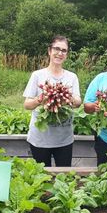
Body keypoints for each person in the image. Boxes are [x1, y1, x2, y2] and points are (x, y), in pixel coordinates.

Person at [23, 35, 81, 167]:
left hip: (64, 139)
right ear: (49, 51)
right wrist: (40, 99)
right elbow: (27, 104)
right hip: (40, 139)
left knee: (64, 177)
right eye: (57, 49)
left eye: (64, 50)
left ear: (66, 54)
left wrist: (67, 99)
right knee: (42, 178)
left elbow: (78, 102)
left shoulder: (72, 77)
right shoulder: (37, 75)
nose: (60, 53)